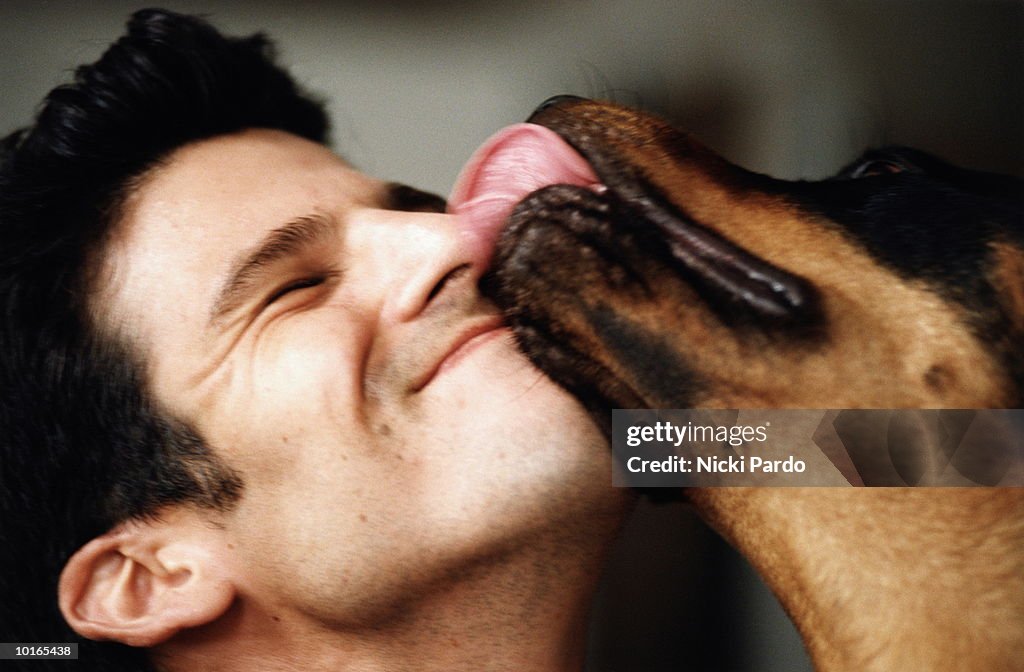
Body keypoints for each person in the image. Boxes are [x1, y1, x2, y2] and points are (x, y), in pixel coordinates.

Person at [0, 9, 630, 671]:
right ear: (152, 577)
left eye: (416, 209)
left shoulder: (685, 441)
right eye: (295, 288)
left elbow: (722, 442)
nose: (457, 238)